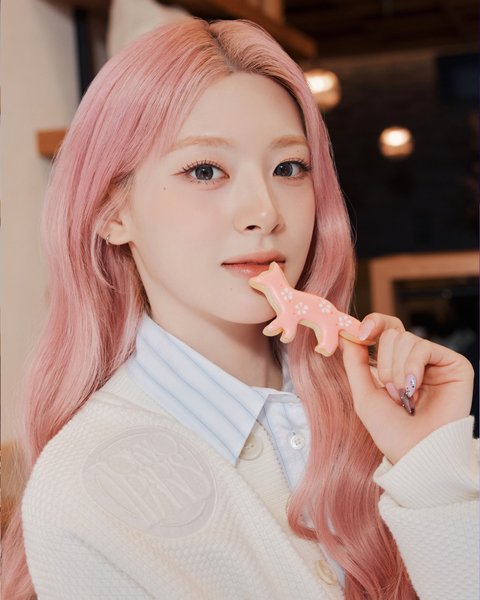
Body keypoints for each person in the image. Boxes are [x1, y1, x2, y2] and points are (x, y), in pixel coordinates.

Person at [2, 17, 478, 600]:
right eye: (205, 171)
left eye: (288, 168)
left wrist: (433, 473)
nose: (265, 212)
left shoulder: (380, 413)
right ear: (111, 212)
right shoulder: (85, 490)